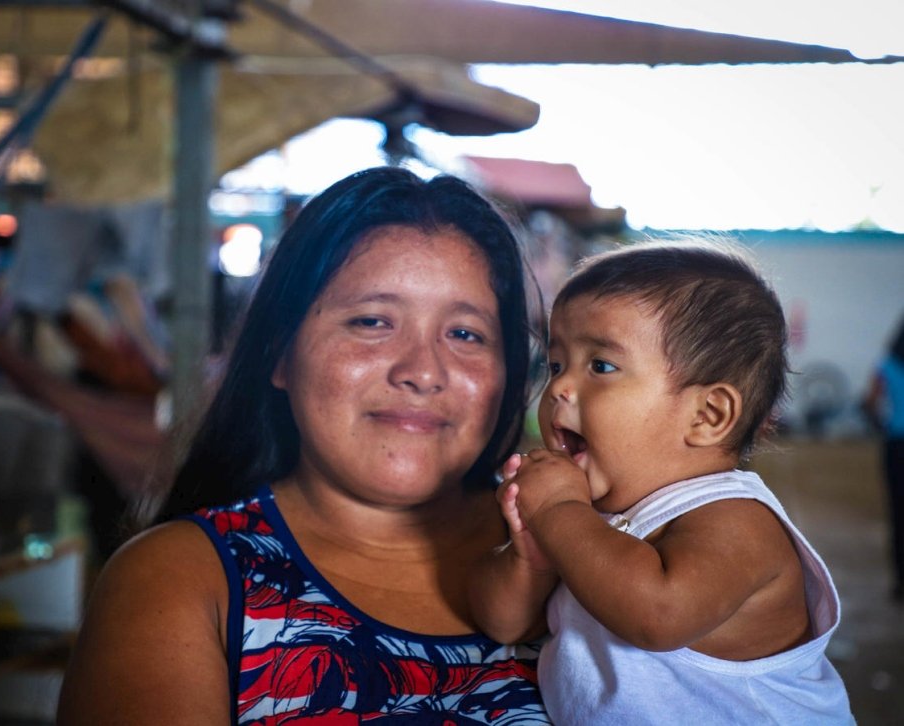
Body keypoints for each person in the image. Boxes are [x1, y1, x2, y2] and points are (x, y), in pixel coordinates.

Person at [55, 166, 552, 724]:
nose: (423, 371)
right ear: (278, 352)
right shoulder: (179, 583)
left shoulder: (577, 557)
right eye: (372, 321)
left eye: (465, 334)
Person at [469, 240, 854, 724]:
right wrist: (531, 557)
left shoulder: (737, 522)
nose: (560, 388)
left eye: (601, 366)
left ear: (708, 415)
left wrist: (558, 514)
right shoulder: (589, 516)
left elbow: (658, 616)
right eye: (556, 365)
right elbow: (503, 622)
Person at [863, 314, 904, 601]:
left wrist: (882, 425)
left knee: (898, 513)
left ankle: (901, 582)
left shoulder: (887, 365)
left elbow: (870, 403)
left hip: (896, 446)